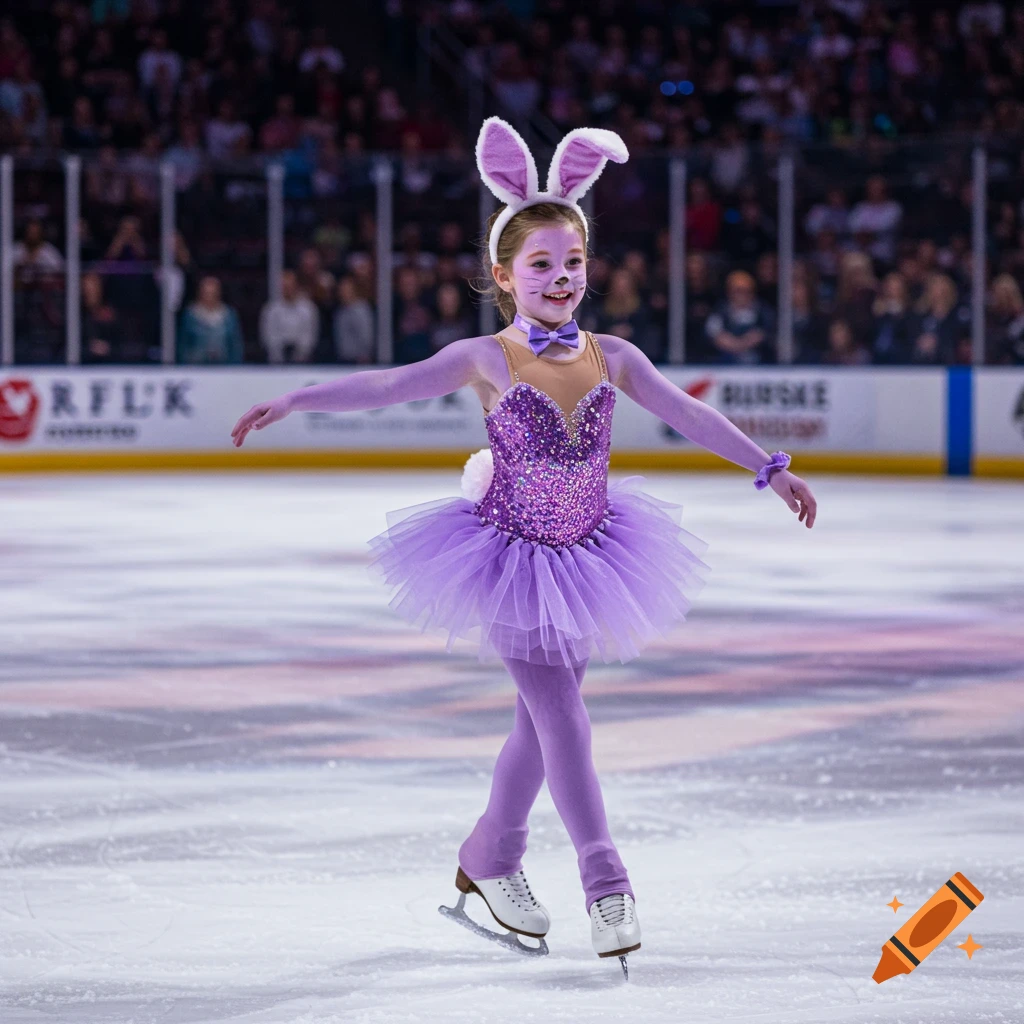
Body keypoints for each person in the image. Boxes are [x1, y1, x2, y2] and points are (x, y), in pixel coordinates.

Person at [230, 118, 816, 971]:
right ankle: (605, 880)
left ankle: (488, 857)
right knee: (564, 722)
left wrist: (768, 466)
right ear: (503, 277)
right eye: (540, 265)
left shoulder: (614, 355)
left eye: (572, 263)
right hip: (508, 559)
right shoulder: (487, 356)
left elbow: (689, 415)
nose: (560, 278)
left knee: (539, 731)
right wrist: (297, 400)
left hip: (592, 554)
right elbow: (389, 384)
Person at [177, 276, 244, 364]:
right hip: (195, 367)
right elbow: (183, 344)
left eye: (213, 293)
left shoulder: (229, 315)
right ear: (200, 293)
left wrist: (235, 367)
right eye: (206, 293)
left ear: (219, 293)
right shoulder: (190, 315)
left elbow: (235, 345)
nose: (209, 297)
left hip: (224, 367)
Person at [260, 270, 319, 363]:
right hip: (277, 361)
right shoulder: (271, 309)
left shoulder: (308, 308)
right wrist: (279, 354)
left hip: (303, 360)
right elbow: (268, 335)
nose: (287, 289)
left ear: (296, 286)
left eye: (290, 286)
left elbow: (309, 334)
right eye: (284, 286)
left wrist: (299, 354)